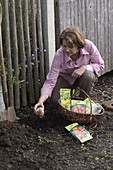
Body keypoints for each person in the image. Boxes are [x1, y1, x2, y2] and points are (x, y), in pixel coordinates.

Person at [34, 27, 104, 116]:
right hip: (66, 78)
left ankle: (83, 105)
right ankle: (69, 104)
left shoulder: (89, 46)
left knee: (88, 76)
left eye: (70, 47)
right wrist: (40, 102)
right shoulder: (59, 54)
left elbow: (100, 65)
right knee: (55, 101)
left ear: (78, 46)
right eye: (64, 46)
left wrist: (85, 67)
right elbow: (51, 80)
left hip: (83, 77)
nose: (67, 50)